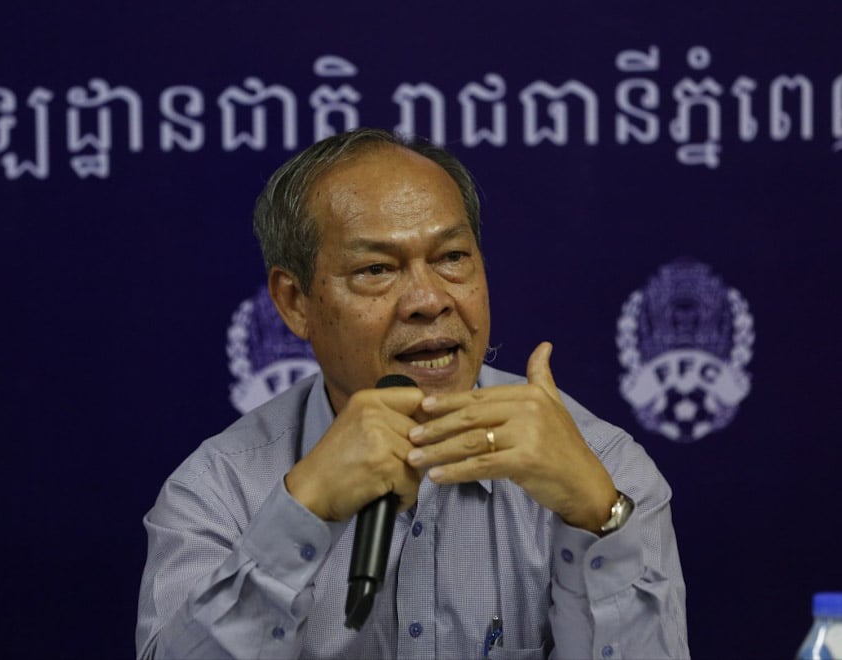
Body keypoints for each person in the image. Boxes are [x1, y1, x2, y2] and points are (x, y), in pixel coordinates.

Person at [136, 128, 688, 659]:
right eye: (377, 268)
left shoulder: (605, 466)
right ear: (294, 302)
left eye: (452, 258)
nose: (429, 300)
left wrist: (597, 518)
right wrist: (303, 512)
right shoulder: (219, 491)